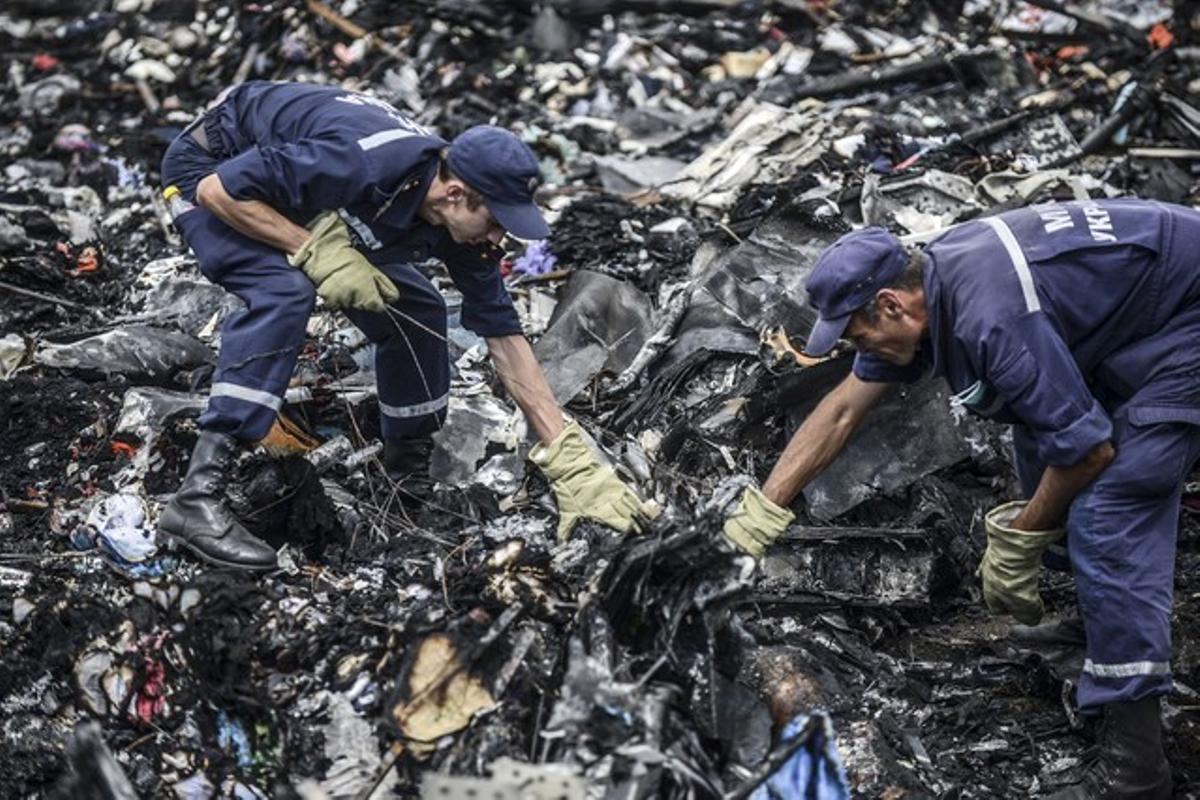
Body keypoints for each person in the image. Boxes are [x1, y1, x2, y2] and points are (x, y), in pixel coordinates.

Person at [721, 199, 1200, 799]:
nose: (854, 347)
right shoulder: (932, 279)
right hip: (1145, 306)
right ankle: (1100, 626)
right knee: (1038, 447)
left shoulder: (991, 318)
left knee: (1112, 507)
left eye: (856, 332)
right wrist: (760, 514)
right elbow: (842, 410)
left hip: (1189, 319)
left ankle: (1136, 770)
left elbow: (1088, 453)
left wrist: (1019, 543)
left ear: (891, 305)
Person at [158, 80, 647, 571]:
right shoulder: (361, 162)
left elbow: (505, 337)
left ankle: (403, 481)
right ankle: (198, 497)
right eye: (497, 221)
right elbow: (218, 191)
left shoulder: (460, 228)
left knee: (418, 310)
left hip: (293, 186)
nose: (501, 236)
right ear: (456, 194)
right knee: (285, 290)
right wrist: (313, 249)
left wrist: (567, 458)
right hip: (213, 168)